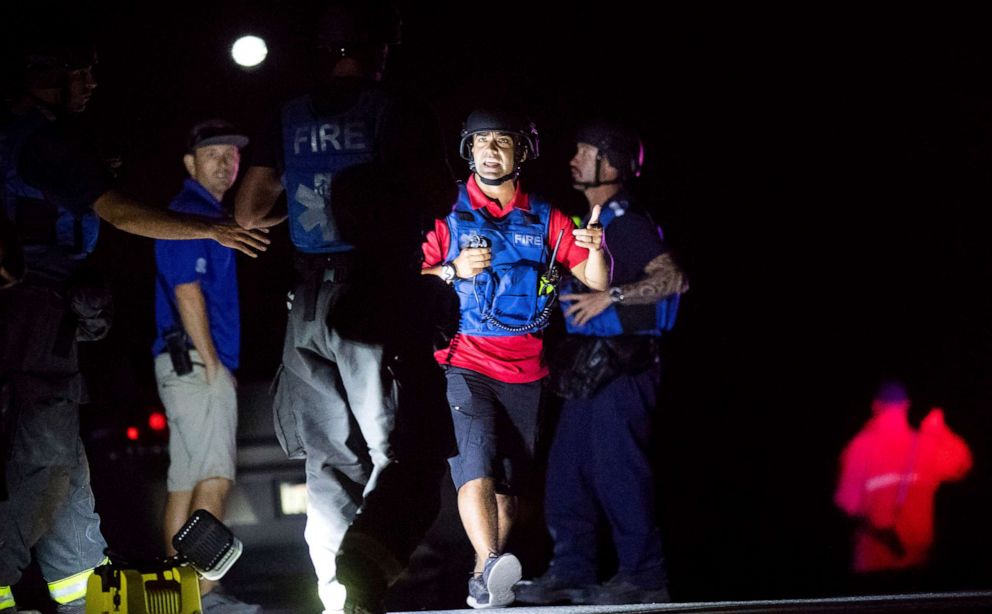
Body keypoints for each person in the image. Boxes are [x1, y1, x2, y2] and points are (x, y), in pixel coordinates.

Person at [0, 36, 268, 614]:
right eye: (81, 73)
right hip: (32, 320)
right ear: (47, 75)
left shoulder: (43, 138)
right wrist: (212, 231)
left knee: (66, 461)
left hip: (52, 321)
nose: (91, 85)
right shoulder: (40, 141)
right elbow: (118, 212)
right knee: (44, 455)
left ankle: (82, 591)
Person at [234, 2, 456, 612]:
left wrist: (313, 195)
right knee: (400, 449)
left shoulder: (288, 114)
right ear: (381, 47)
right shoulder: (396, 109)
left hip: (304, 300)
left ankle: (337, 600)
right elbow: (438, 197)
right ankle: (365, 573)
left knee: (328, 458)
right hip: (373, 296)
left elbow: (249, 212)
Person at [421, 108, 609, 608]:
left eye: (501, 141)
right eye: (480, 141)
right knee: (475, 465)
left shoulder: (545, 215)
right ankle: (486, 569)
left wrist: (596, 246)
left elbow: (596, 280)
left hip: (526, 371)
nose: (490, 150)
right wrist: (450, 269)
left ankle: (486, 581)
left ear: (522, 151)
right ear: (468, 150)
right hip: (464, 361)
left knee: (507, 488)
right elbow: (406, 277)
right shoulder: (445, 210)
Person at [515, 121, 688, 605]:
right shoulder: (596, 220)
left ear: (611, 163)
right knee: (567, 473)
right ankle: (571, 571)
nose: (573, 158)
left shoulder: (625, 220)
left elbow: (674, 277)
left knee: (619, 473)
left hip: (624, 367)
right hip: (589, 369)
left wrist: (610, 296)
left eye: (584, 151)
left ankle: (643, 575)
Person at [152, 119, 260, 613]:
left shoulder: (209, 214)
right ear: (189, 163)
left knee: (185, 481)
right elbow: (185, 290)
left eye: (231, 155)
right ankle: (203, 595)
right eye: (212, 154)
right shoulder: (188, 213)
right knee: (215, 479)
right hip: (197, 363)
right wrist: (215, 366)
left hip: (183, 363)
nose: (224, 163)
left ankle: (177, 596)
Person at [835, 381, 972, 576]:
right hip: (917, 559)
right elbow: (962, 465)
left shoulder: (859, 447)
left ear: (875, 405)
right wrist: (939, 430)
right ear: (907, 405)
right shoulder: (926, 446)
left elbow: (847, 504)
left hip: (873, 559)